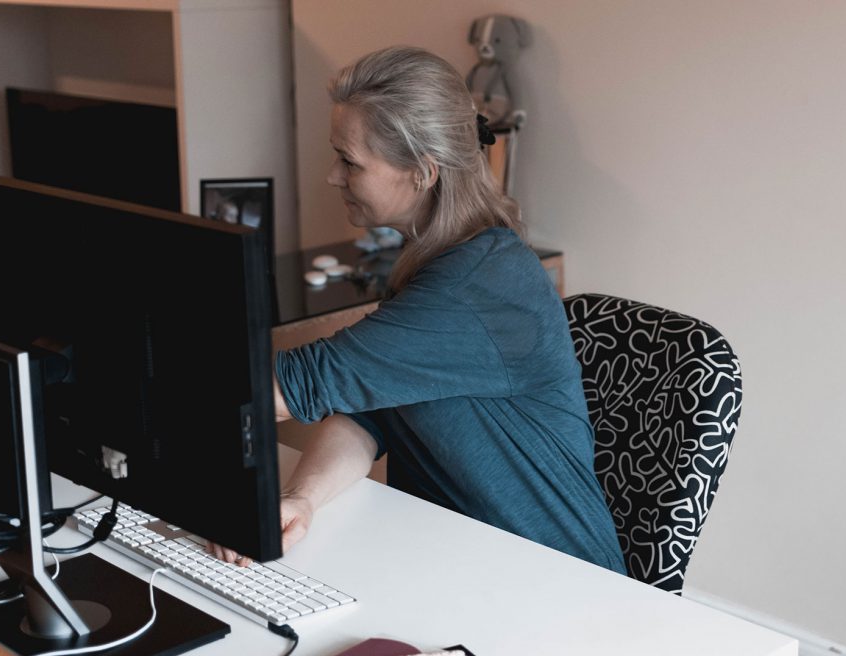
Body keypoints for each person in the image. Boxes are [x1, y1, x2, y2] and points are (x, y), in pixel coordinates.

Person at [209, 46, 626, 575]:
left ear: (423, 172)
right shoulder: (436, 259)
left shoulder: (476, 285)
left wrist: (119, 378)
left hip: (557, 580)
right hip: (457, 557)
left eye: (350, 161)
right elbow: (369, 412)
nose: (333, 177)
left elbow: (287, 389)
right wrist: (304, 498)